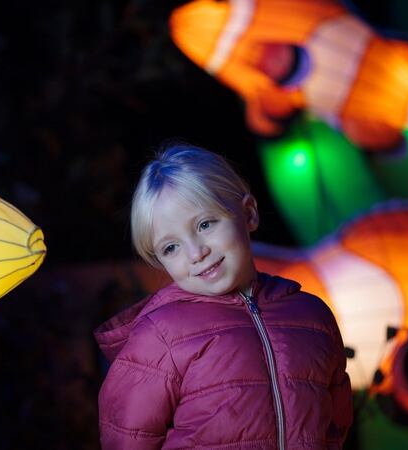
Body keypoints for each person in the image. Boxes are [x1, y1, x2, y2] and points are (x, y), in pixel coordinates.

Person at [94, 144, 353, 449]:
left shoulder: (313, 318)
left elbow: (334, 426)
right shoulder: (159, 336)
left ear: (248, 213)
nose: (196, 253)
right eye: (171, 247)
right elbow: (127, 441)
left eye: (205, 225)